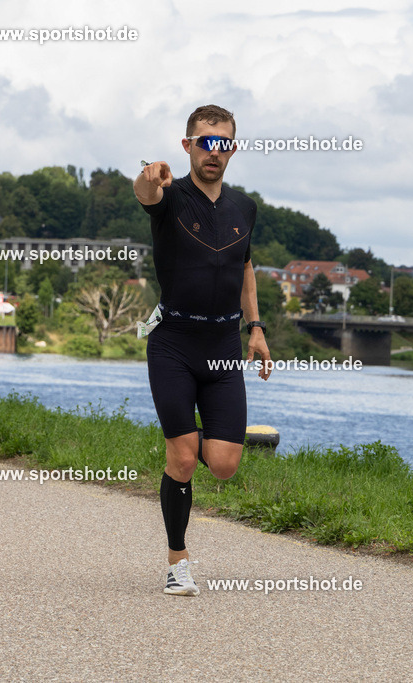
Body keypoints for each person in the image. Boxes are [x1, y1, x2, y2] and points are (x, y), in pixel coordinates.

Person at [134, 104, 271, 596]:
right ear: (188, 145)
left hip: (223, 346)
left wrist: (256, 328)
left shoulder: (244, 208)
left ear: (232, 148)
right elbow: (145, 192)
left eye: (223, 143)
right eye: (205, 142)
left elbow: (245, 267)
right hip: (173, 342)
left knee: (225, 464)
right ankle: (178, 561)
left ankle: (194, 441)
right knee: (184, 459)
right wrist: (149, 176)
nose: (214, 152)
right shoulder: (170, 196)